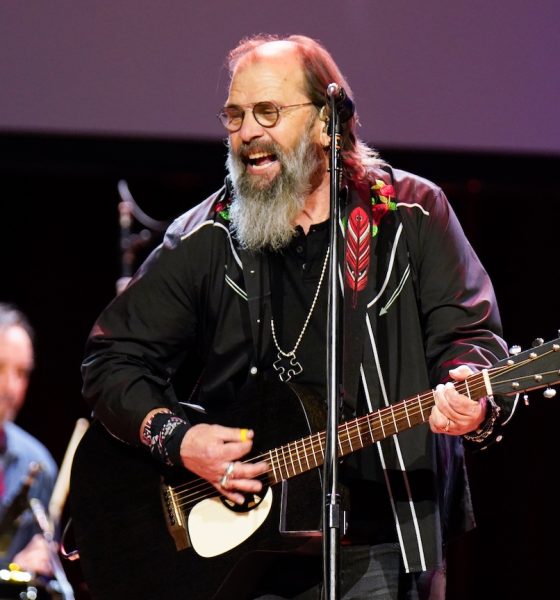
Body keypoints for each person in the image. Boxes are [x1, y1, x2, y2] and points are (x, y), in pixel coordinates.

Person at [73, 34, 517, 599]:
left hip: (378, 544)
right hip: (239, 558)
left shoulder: (411, 215)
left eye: (268, 112)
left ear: (327, 124)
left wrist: (471, 400)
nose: (248, 133)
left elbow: (472, 340)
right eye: (235, 117)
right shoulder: (209, 233)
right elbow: (112, 359)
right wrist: (179, 439)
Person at [0, 303, 58, 578]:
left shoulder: (37, 464)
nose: (10, 387)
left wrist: (37, 565)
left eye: (21, 373)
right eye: (0, 368)